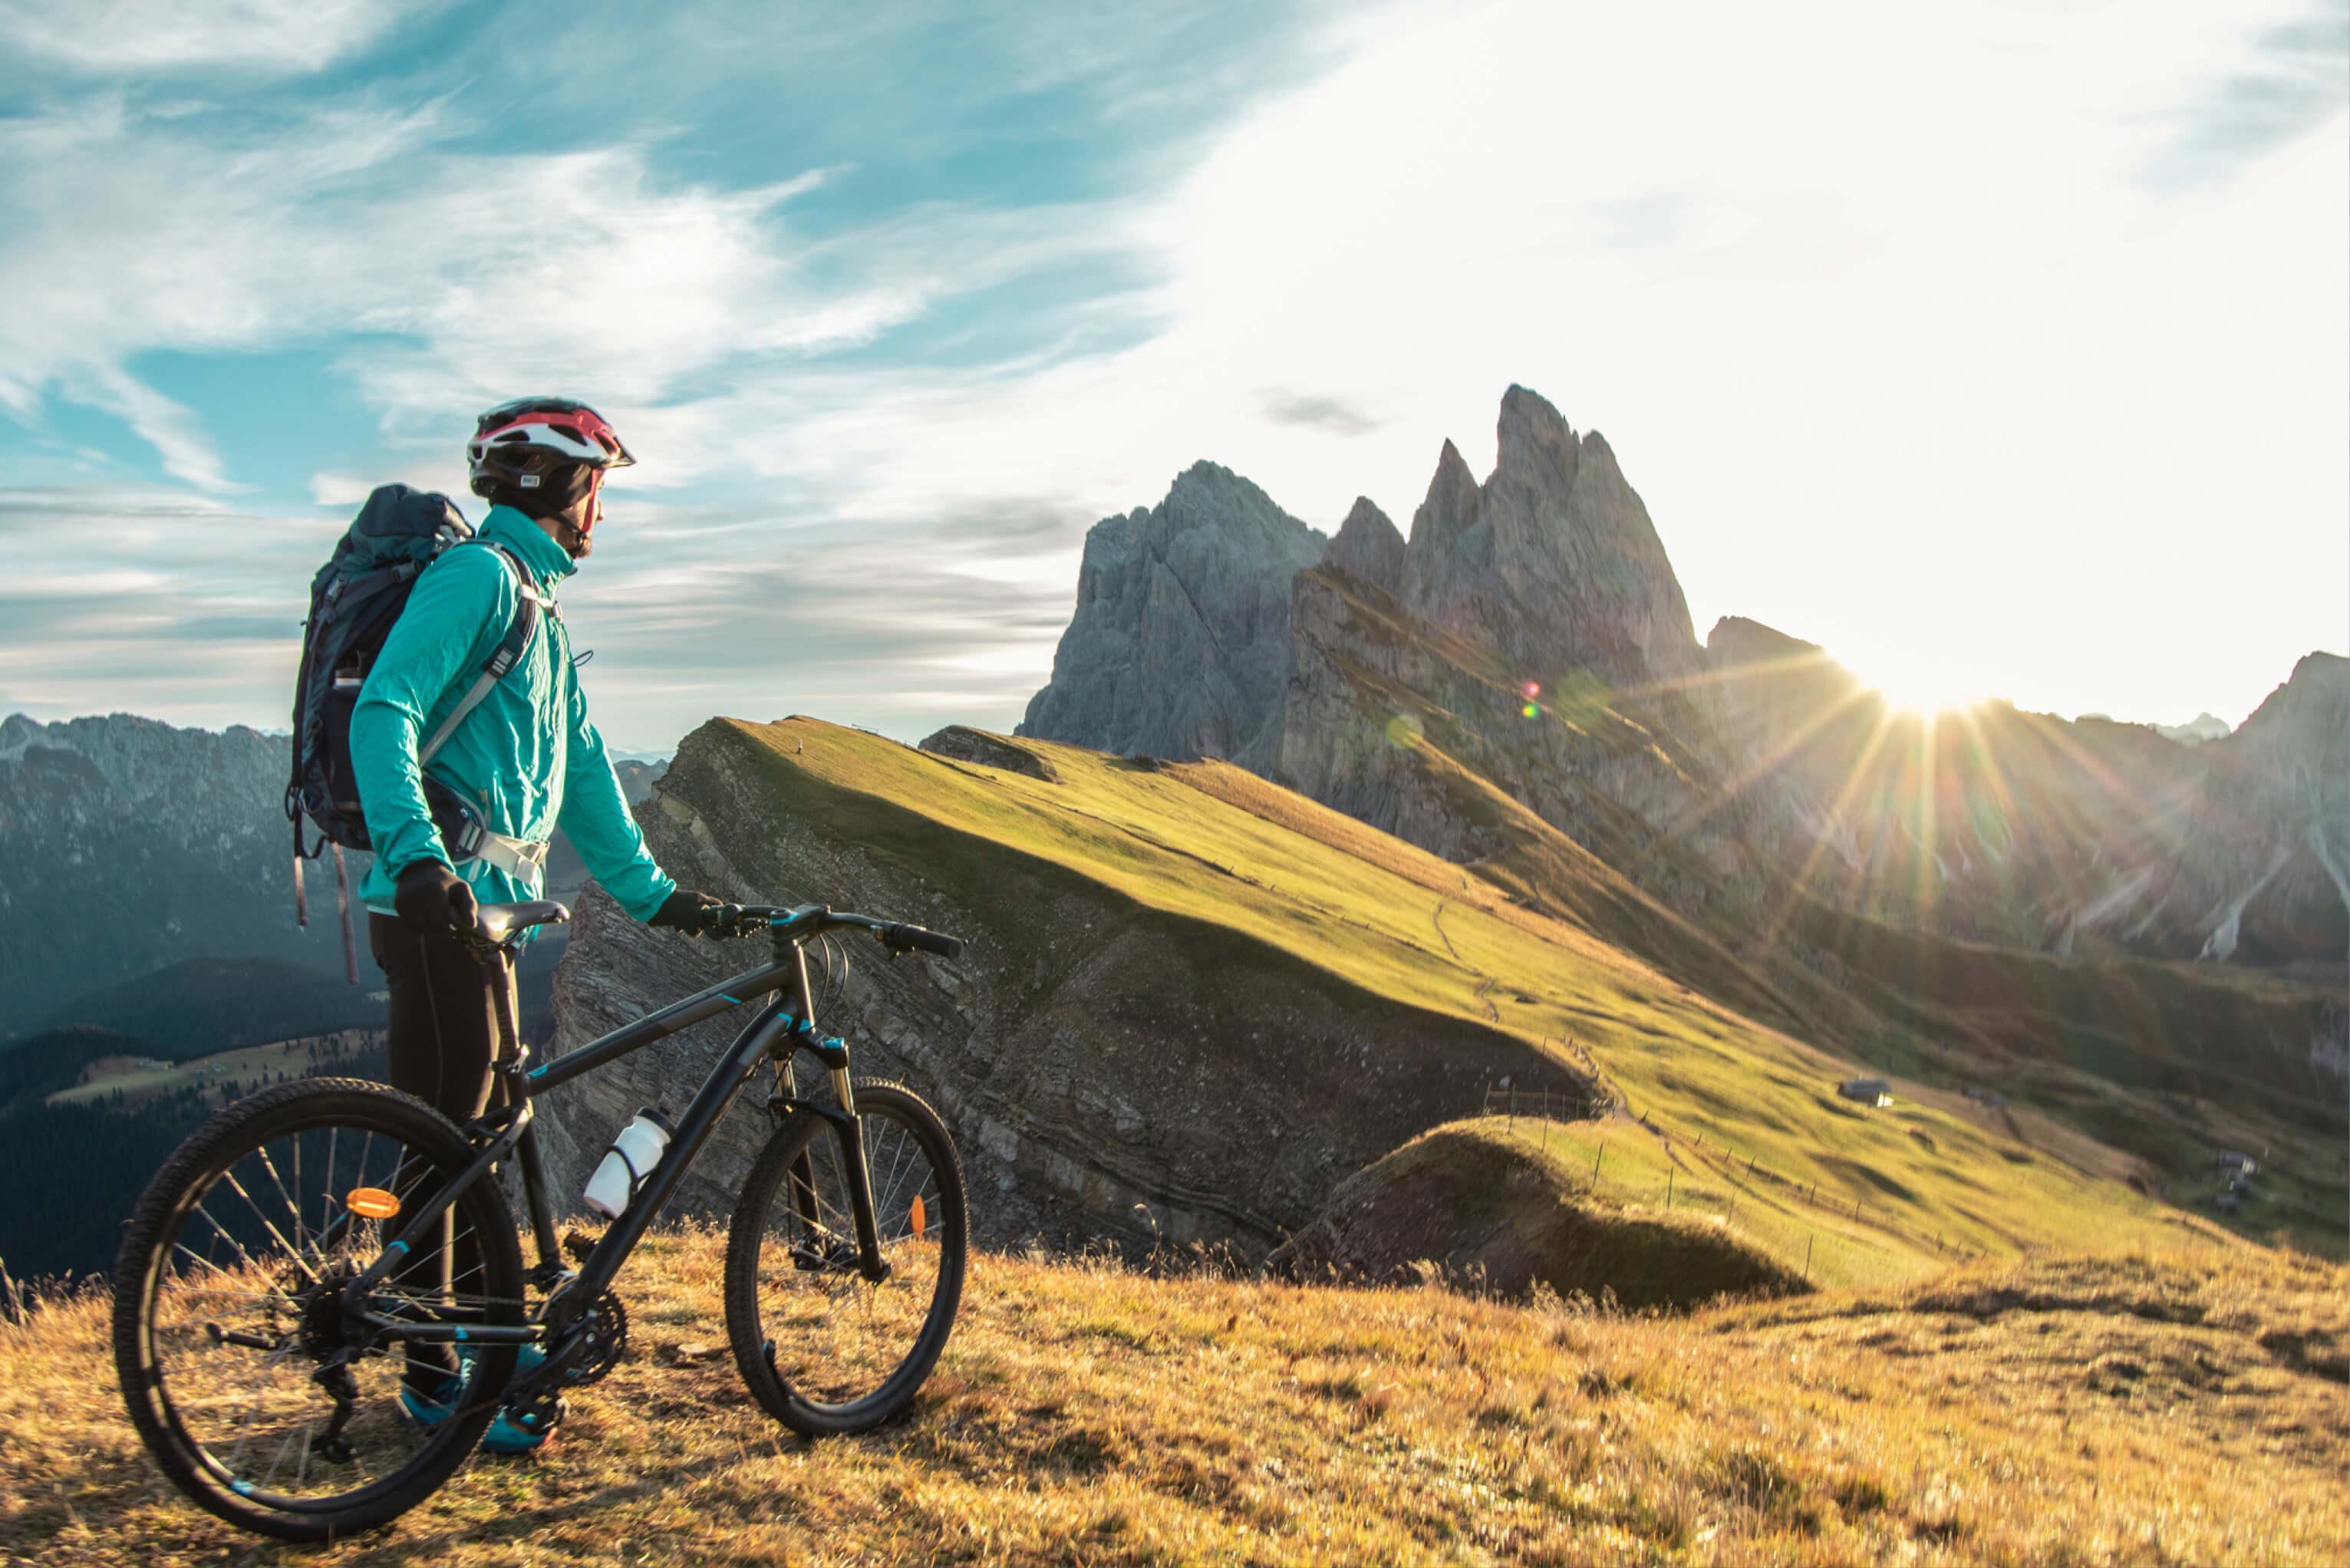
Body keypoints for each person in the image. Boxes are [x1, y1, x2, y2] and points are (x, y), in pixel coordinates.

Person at [348, 396, 723, 1451]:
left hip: (485, 916)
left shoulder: (538, 610)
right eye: (597, 484)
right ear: (561, 486)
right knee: (451, 1147)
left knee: (477, 1131)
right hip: (437, 907)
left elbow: (587, 778)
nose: (602, 508)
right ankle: (445, 1379)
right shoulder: (477, 580)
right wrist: (420, 858)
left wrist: (656, 896)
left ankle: (481, 1350)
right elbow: (386, 709)